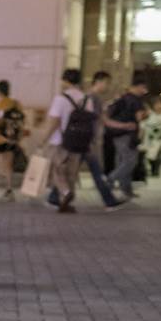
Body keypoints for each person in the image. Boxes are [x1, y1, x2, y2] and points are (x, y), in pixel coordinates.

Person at [33, 69, 99, 214]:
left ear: (66, 81)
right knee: (71, 172)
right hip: (79, 141)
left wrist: (43, 140)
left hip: (60, 141)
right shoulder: (87, 99)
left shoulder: (61, 99)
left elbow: (54, 122)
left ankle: (65, 191)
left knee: (56, 169)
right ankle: (67, 201)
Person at [105, 75, 148, 200]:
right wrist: (146, 114)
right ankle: (110, 180)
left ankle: (126, 189)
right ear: (139, 87)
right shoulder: (136, 100)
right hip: (128, 134)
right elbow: (139, 117)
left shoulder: (122, 98)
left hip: (116, 133)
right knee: (130, 161)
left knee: (122, 161)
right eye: (143, 88)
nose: (144, 91)